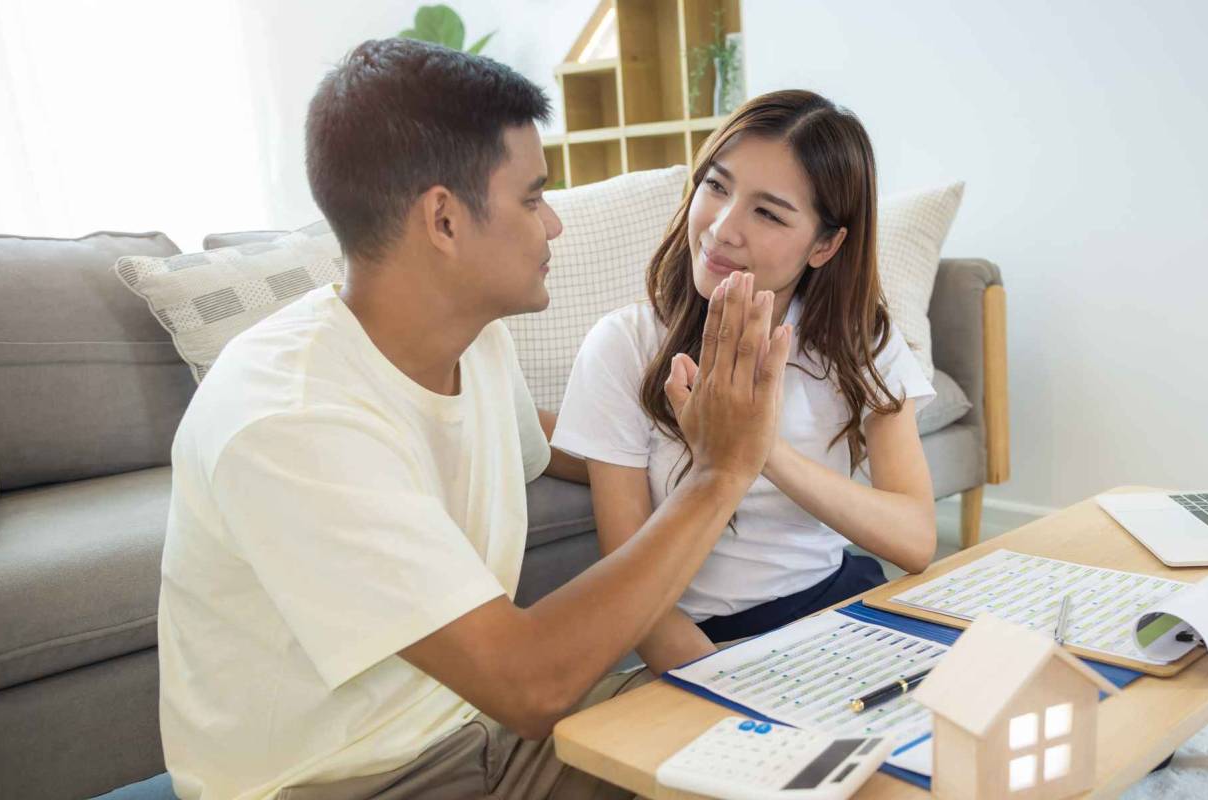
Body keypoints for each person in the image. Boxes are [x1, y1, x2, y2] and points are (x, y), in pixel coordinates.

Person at [156, 38, 790, 799]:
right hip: (347, 781)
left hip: (486, 741)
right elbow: (529, 684)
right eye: (532, 197)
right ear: (444, 220)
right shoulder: (288, 419)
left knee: (787, 748)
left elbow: (547, 444)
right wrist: (718, 476)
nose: (553, 225)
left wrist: (689, 440)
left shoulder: (475, 338)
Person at [553, 90, 939, 674]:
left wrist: (756, 449)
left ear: (826, 244)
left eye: (768, 212)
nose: (723, 229)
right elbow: (635, 596)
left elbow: (915, 540)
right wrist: (723, 689)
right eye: (716, 186)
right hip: (709, 641)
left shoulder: (861, 343)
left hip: (846, 604)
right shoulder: (624, 346)